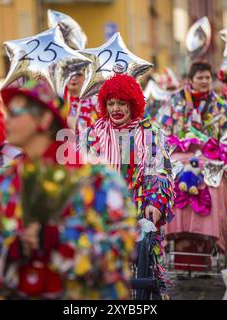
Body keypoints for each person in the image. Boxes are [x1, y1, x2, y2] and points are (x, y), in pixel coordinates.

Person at [0, 79, 137, 300]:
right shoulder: (4, 183)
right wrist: (13, 250)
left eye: (17, 111)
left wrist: (58, 239)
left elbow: (120, 248)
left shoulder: (97, 180)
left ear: (45, 119)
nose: (7, 118)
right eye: (7, 110)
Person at [80, 74, 174, 299]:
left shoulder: (150, 133)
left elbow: (159, 170)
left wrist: (155, 202)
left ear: (133, 104)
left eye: (121, 103)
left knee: (142, 267)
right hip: (102, 211)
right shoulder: (92, 134)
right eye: (111, 103)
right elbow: (83, 175)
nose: (115, 108)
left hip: (139, 208)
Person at [156, 61, 227, 140]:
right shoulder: (174, 100)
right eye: (200, 78)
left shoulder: (219, 104)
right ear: (191, 80)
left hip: (209, 151)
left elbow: (226, 134)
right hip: (178, 150)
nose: (204, 81)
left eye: (207, 77)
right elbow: (162, 127)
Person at [64, 70, 98, 135]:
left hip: (88, 142)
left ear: (86, 77)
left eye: (78, 74)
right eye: (69, 74)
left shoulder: (95, 101)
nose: (73, 78)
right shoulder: (56, 99)